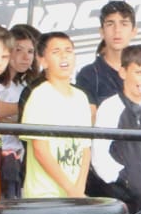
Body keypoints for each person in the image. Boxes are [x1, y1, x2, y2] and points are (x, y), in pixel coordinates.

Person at [88, 44, 141, 213]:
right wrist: (122, 180)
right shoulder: (110, 107)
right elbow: (99, 155)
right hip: (123, 202)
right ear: (123, 72)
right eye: (139, 72)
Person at [21, 30, 91, 199]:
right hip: (44, 195)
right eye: (56, 52)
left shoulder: (81, 97)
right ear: (43, 60)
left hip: (74, 194)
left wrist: (78, 189)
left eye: (68, 51)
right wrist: (70, 189)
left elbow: (85, 148)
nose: (64, 56)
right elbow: (40, 150)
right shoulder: (39, 95)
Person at [75, 0, 141, 123]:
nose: (117, 30)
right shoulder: (88, 74)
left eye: (124, 24)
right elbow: (91, 121)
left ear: (134, 31)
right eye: (110, 24)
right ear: (102, 31)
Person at [0, 24, 40, 199]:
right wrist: (23, 108)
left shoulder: (24, 85)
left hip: (16, 160)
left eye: (30, 52)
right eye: (18, 50)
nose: (25, 57)